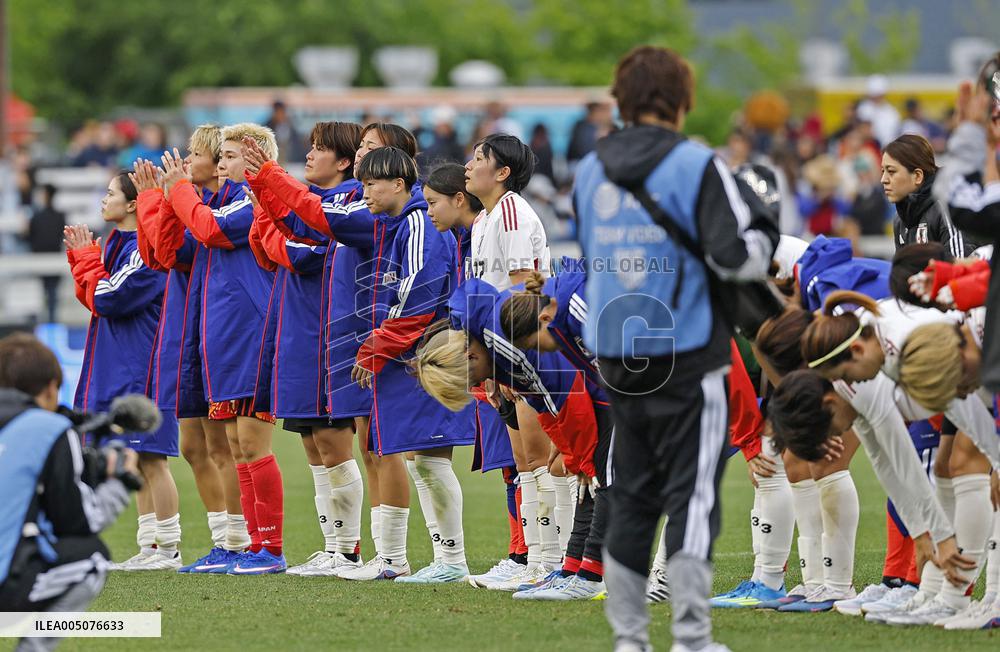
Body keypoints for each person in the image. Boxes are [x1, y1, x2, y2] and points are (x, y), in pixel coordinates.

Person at [573, 46, 778, 652]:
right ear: (682, 100)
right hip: (687, 349)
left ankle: (629, 638)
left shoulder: (590, 168)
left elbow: (590, 255)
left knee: (632, 495)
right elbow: (736, 256)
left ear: (622, 98)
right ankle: (691, 636)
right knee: (694, 495)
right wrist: (767, 223)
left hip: (616, 351)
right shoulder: (696, 163)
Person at [338, 146, 473, 582]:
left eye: (371, 183)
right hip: (415, 352)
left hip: (428, 352)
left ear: (398, 183)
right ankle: (428, 559)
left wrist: (378, 344)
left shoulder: (418, 223)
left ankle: (452, 561)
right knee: (421, 459)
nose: (365, 192)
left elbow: (418, 293)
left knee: (432, 459)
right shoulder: (403, 224)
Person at [241, 121, 367, 577]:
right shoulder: (316, 202)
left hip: (327, 334)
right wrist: (261, 192)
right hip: (297, 332)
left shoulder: (351, 200)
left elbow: (300, 252)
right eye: (310, 148)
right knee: (313, 447)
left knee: (334, 446)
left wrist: (271, 208)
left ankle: (350, 549)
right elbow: (277, 240)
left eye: (320, 149)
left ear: (345, 161)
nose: (310, 156)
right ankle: (332, 546)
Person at [160, 124, 281, 575]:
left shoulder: (252, 198)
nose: (221, 162)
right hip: (220, 338)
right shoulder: (218, 200)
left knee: (249, 445)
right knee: (230, 444)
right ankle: (244, 544)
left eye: (229, 155)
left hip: (249, 333)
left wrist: (174, 193)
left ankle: (270, 547)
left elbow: (209, 231)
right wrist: (164, 199)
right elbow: (174, 251)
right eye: (222, 155)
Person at [139, 126, 253, 574]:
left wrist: (170, 195)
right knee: (192, 445)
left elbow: (196, 238)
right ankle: (221, 535)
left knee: (222, 444)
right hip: (191, 330)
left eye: (196, 154)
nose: (187, 161)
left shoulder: (220, 205)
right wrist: (158, 199)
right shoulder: (196, 202)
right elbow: (163, 253)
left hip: (216, 330)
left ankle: (236, 538)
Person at [63, 172, 183, 572]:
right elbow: (95, 299)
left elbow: (110, 297)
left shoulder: (143, 249)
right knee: (137, 456)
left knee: (153, 459)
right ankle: (149, 546)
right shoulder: (118, 243)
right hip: (121, 364)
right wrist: (85, 262)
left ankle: (168, 547)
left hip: (143, 367)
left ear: (133, 204)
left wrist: (86, 261)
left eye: (111, 193)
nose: (104, 199)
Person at [0, 334, 139, 651]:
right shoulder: (48, 429)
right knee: (92, 559)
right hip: (6, 592)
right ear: (51, 387)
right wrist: (120, 481)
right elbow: (79, 521)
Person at [883, 133, 972, 257]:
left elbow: (961, 266)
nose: (883, 179)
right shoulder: (900, 219)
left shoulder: (948, 208)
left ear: (918, 176)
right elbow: (903, 272)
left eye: (891, 171)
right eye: (883, 171)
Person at [26, 184, 66, 324]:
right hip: (46, 260)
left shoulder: (36, 217)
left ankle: (45, 323)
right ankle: (49, 322)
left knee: (47, 294)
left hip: (46, 260)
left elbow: (29, 237)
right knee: (50, 295)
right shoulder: (59, 216)